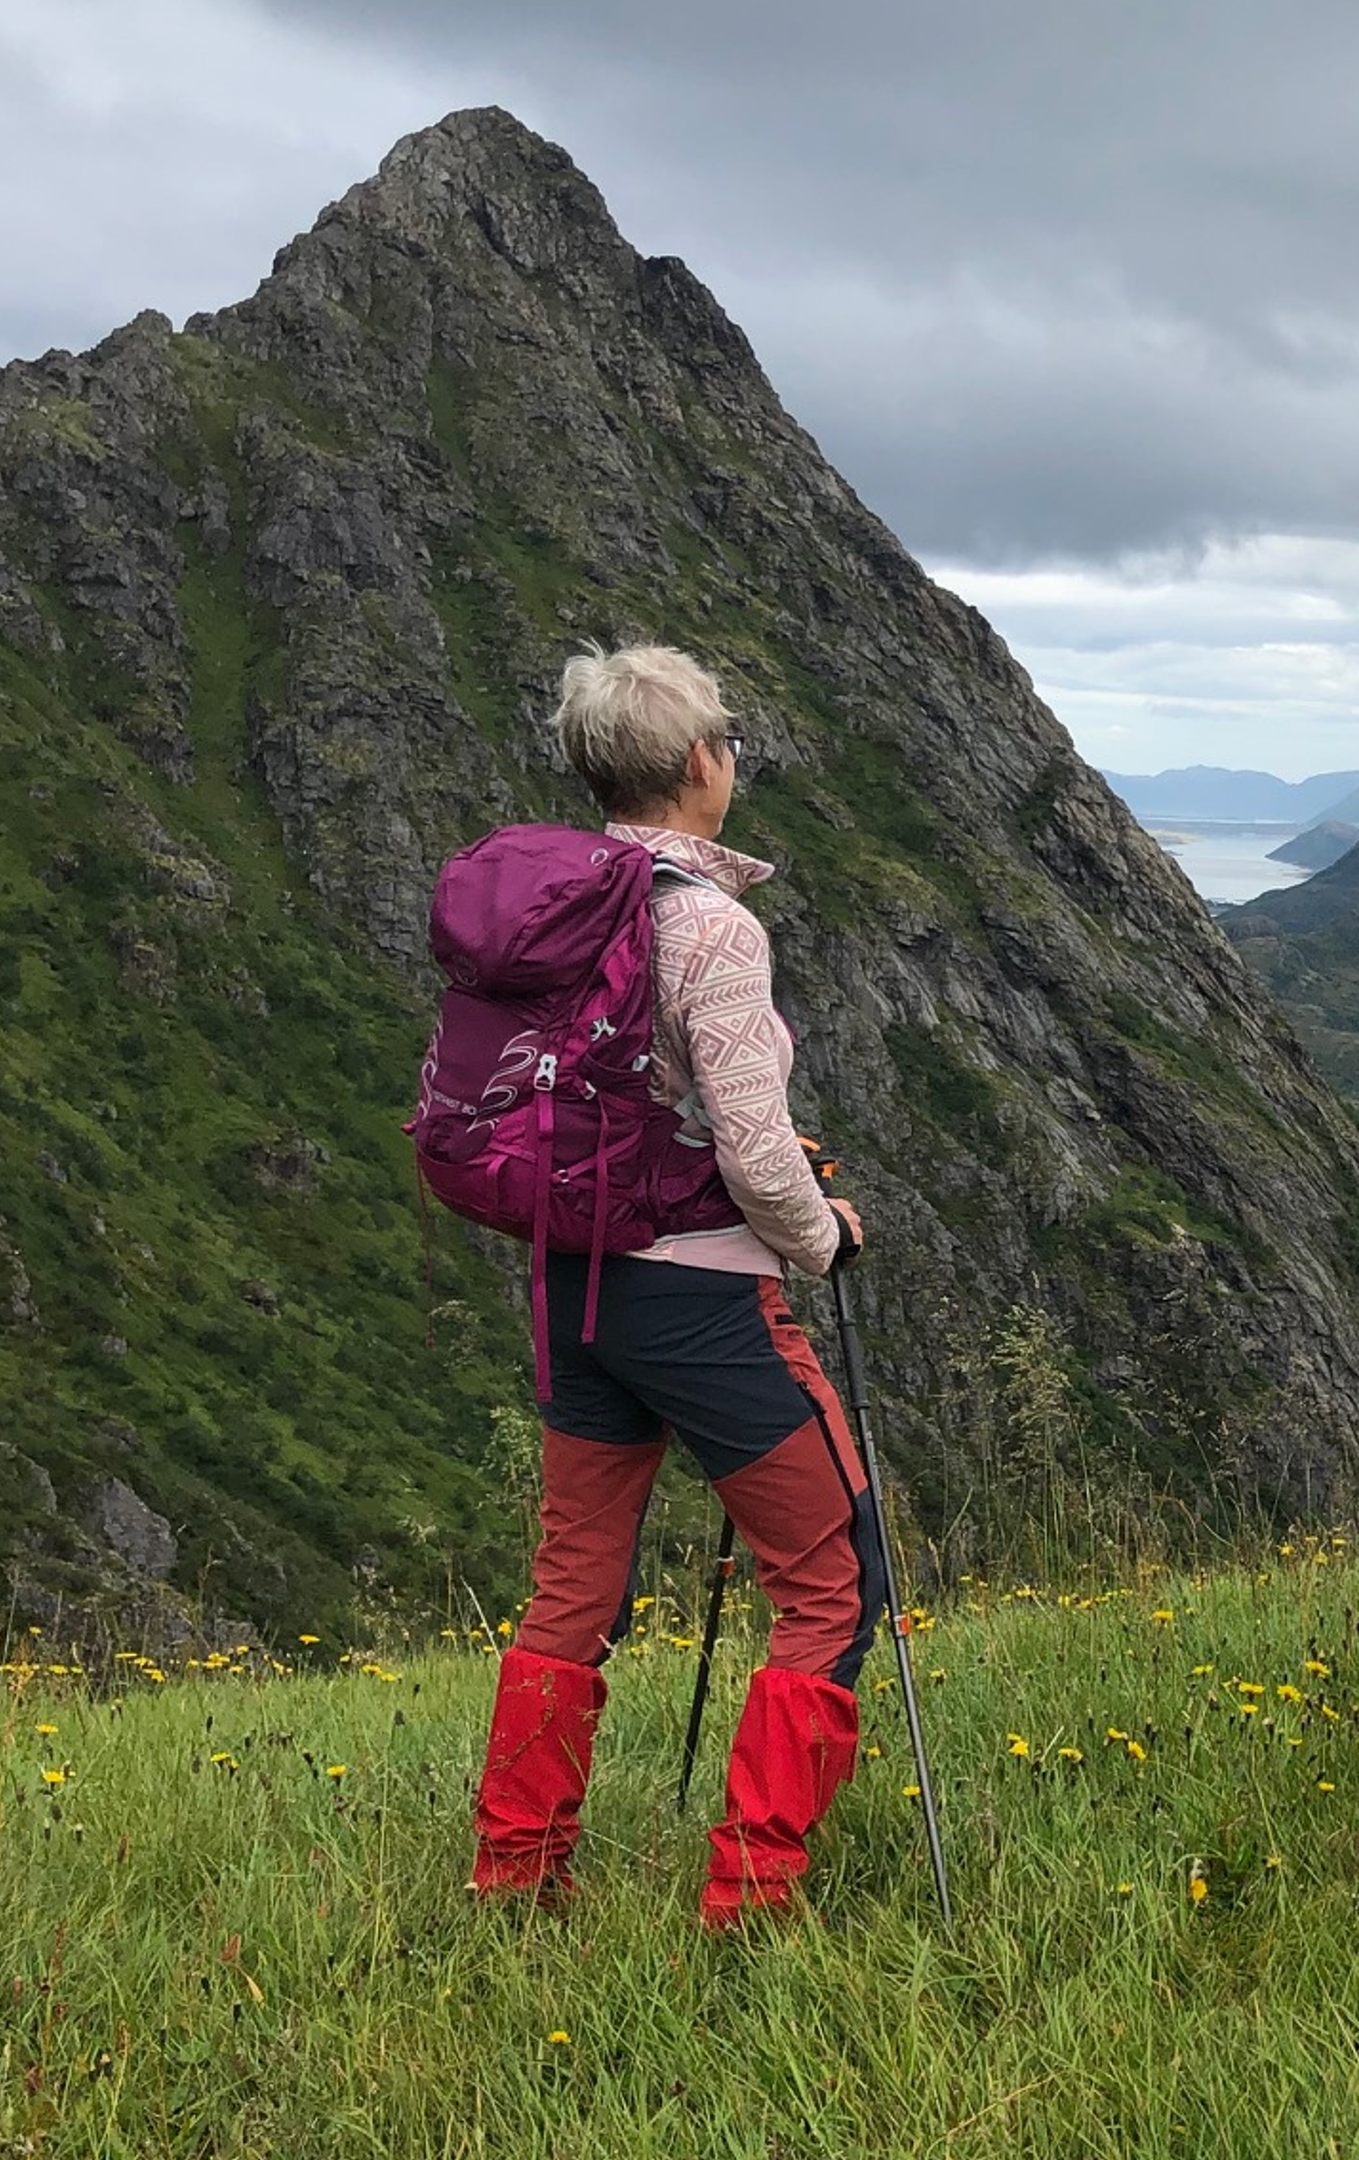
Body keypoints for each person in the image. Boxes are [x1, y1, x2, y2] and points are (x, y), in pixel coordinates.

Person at [466, 644, 883, 1927]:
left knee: (574, 1585)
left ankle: (519, 1874)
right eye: (730, 737)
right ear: (701, 763)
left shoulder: (562, 911)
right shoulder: (710, 924)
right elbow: (756, 1152)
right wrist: (824, 1238)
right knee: (834, 1577)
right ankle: (751, 1895)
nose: (734, 757)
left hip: (572, 1286)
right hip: (702, 1305)